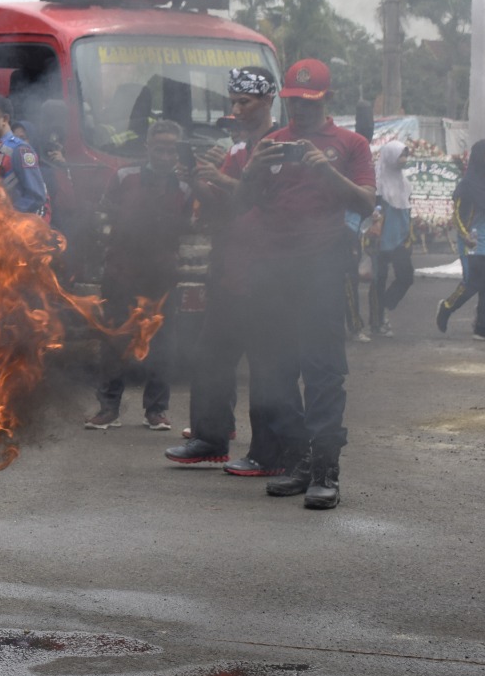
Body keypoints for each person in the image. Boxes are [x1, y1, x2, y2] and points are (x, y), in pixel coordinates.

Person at [234, 60, 374, 510]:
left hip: (323, 267)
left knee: (323, 369)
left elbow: (367, 202)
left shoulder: (351, 144)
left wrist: (326, 171)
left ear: (325, 99)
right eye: (294, 100)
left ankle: (326, 469)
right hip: (273, 269)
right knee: (275, 370)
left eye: (309, 101)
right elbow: (239, 205)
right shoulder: (273, 143)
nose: (302, 108)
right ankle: (298, 459)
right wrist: (254, 167)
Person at [166, 66, 284, 474]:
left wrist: (218, 178)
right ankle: (210, 437)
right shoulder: (237, 150)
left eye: (244, 102)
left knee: (267, 367)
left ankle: (267, 453)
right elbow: (225, 205)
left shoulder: (280, 146)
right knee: (211, 354)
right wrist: (199, 183)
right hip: (231, 270)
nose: (236, 109)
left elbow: (266, 201)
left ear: (267, 101)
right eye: (232, 101)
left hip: (268, 275)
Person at [84, 121, 191, 432]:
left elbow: (188, 227)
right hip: (121, 273)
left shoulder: (184, 187)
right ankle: (108, 409)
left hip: (162, 276)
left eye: (171, 149)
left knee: (163, 344)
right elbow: (105, 216)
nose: (165, 154)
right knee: (113, 340)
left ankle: (156, 411)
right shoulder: (124, 177)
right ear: (147, 147)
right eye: (159, 148)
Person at [438, 140, 485, 338]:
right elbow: (457, 214)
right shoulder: (467, 184)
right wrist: (465, 235)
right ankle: (446, 307)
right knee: (472, 283)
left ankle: (483, 327)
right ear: (480, 156)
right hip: (474, 241)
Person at [368, 137, 414, 336]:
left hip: (401, 240)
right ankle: (377, 322)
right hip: (380, 241)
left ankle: (384, 307)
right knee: (379, 279)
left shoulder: (404, 183)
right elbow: (370, 212)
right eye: (400, 155)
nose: (403, 159)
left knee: (406, 277)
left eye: (405, 155)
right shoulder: (377, 185)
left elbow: (406, 210)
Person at [0, 95, 48, 217]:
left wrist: (6, 216)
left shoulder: (20, 150)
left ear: (4, 119)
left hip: (13, 229)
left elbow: (36, 196)